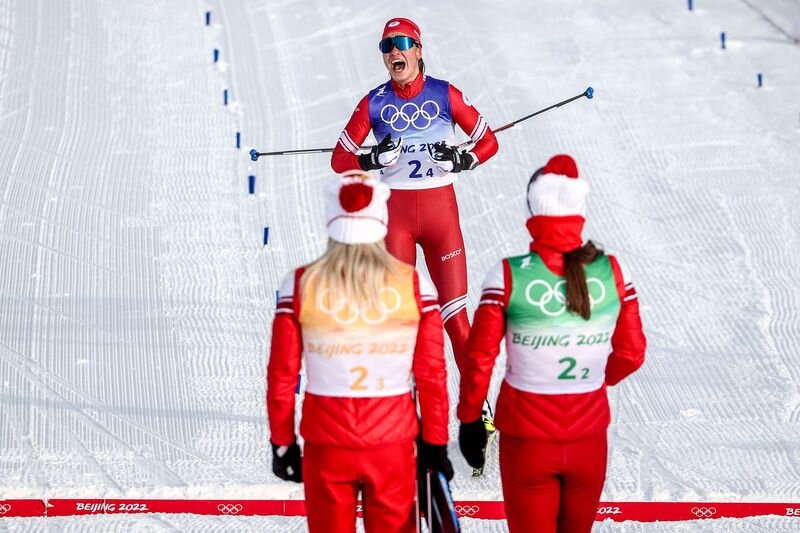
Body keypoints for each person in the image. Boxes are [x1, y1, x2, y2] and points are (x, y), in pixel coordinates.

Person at [456, 155, 646, 533]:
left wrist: (469, 419)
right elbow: (632, 353)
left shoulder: (507, 274)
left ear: (533, 209)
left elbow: (480, 358)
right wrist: (591, 382)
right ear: (579, 209)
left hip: (527, 443)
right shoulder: (613, 271)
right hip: (588, 440)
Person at [267, 171, 453, 533]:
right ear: (380, 220)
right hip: (392, 445)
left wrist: (282, 441)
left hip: (326, 445)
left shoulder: (300, 284)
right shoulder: (414, 286)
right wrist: (436, 442)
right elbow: (432, 375)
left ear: (331, 220)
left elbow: (282, 376)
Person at [330, 17, 499, 373]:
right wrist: (371, 157)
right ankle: (403, 412)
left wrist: (463, 159)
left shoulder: (444, 94)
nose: (394, 51)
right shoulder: (374, 103)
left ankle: (479, 410)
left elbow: (489, 142)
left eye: (402, 43)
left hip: (442, 220)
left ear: (419, 50)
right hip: (397, 222)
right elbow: (338, 159)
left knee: (455, 316)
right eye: (386, 46)